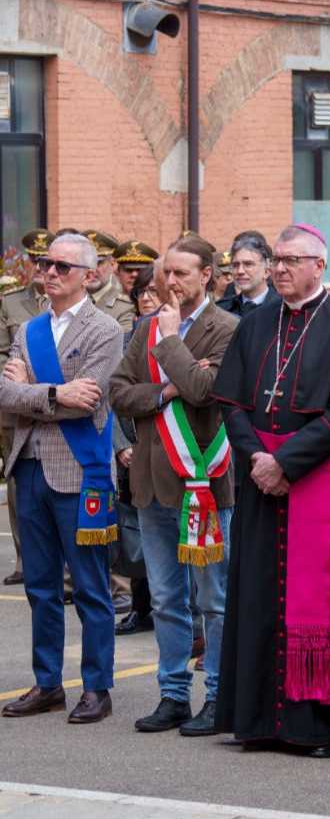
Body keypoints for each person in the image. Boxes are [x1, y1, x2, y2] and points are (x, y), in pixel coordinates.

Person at [212, 223, 330, 757]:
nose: (282, 268)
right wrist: (257, 460)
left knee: (323, 601)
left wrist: (286, 463)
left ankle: (319, 724)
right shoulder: (255, 323)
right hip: (260, 478)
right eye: (278, 260)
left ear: (319, 266)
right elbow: (232, 404)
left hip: (318, 480)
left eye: (292, 260)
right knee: (259, 596)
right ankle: (260, 721)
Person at [110, 235, 239, 737]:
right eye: (167, 272)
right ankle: (173, 695)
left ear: (206, 275)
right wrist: (166, 390)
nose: (171, 281)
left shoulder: (227, 328)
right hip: (151, 482)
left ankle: (218, 695)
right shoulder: (145, 326)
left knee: (214, 599)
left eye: (181, 272)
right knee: (165, 598)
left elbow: (207, 391)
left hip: (203, 482)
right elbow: (119, 393)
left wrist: (170, 343)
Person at [0, 232, 122, 724]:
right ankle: (48, 682)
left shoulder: (105, 330)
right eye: (45, 264)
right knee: (40, 586)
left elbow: (86, 402)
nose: (49, 273)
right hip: (28, 467)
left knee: (90, 586)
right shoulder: (29, 328)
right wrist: (54, 393)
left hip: (79, 469)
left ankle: (96, 686)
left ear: (89, 276)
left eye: (61, 267)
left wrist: (31, 390)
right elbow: (5, 395)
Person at [113, 264, 166, 638]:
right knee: (134, 532)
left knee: (166, 535)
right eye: (140, 293)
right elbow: (113, 397)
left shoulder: (172, 336)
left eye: (152, 291)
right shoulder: (126, 338)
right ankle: (140, 606)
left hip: (167, 449)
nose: (145, 298)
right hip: (131, 450)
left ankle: (174, 611)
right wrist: (121, 446)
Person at [0, 229, 54, 587]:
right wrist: (13, 386)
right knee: (19, 482)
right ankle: (24, 558)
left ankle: (61, 561)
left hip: (56, 404)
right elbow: (2, 353)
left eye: (46, 261)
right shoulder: (11, 302)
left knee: (59, 478)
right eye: (35, 260)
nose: (40, 267)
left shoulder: (67, 303)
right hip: (16, 409)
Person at [84, 231, 136, 334]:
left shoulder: (125, 307)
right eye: (86, 263)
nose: (92, 269)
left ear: (112, 264)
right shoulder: (67, 300)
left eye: (99, 263)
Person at [217, 231, 279, 318]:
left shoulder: (283, 309)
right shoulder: (221, 310)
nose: (240, 271)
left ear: (266, 271)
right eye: (235, 265)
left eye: (248, 264)